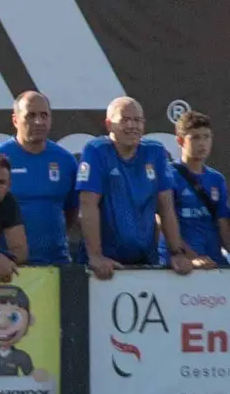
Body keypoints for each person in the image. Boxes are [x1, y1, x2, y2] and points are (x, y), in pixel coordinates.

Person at [77, 97, 191, 280]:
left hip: (145, 262)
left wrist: (176, 252)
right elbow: (87, 205)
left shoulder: (155, 151)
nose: (132, 126)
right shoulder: (96, 150)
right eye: (124, 120)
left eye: (137, 120)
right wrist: (96, 256)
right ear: (109, 125)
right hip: (104, 267)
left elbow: (166, 207)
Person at [0, 91, 78, 265]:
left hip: (57, 264)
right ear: (15, 120)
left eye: (44, 115)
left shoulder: (66, 160)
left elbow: (72, 210)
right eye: (30, 116)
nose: (38, 122)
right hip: (9, 267)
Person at [159, 110, 230, 268]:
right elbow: (161, 220)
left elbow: (222, 224)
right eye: (195, 137)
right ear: (180, 140)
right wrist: (191, 257)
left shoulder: (216, 179)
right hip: (180, 266)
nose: (202, 143)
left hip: (213, 263)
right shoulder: (168, 175)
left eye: (207, 137)